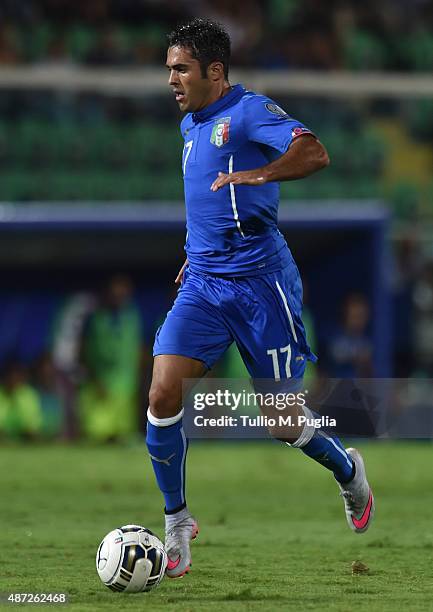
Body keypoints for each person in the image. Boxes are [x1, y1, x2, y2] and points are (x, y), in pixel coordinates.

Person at [146, 18, 375, 579]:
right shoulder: (191, 127)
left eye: (181, 69)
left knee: (280, 418)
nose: (171, 79)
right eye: (169, 69)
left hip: (259, 285)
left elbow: (315, 153)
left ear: (215, 72)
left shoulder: (250, 112)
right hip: (203, 280)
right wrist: (197, 248)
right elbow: (208, 202)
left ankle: (348, 472)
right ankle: (177, 523)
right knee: (161, 391)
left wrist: (259, 174)